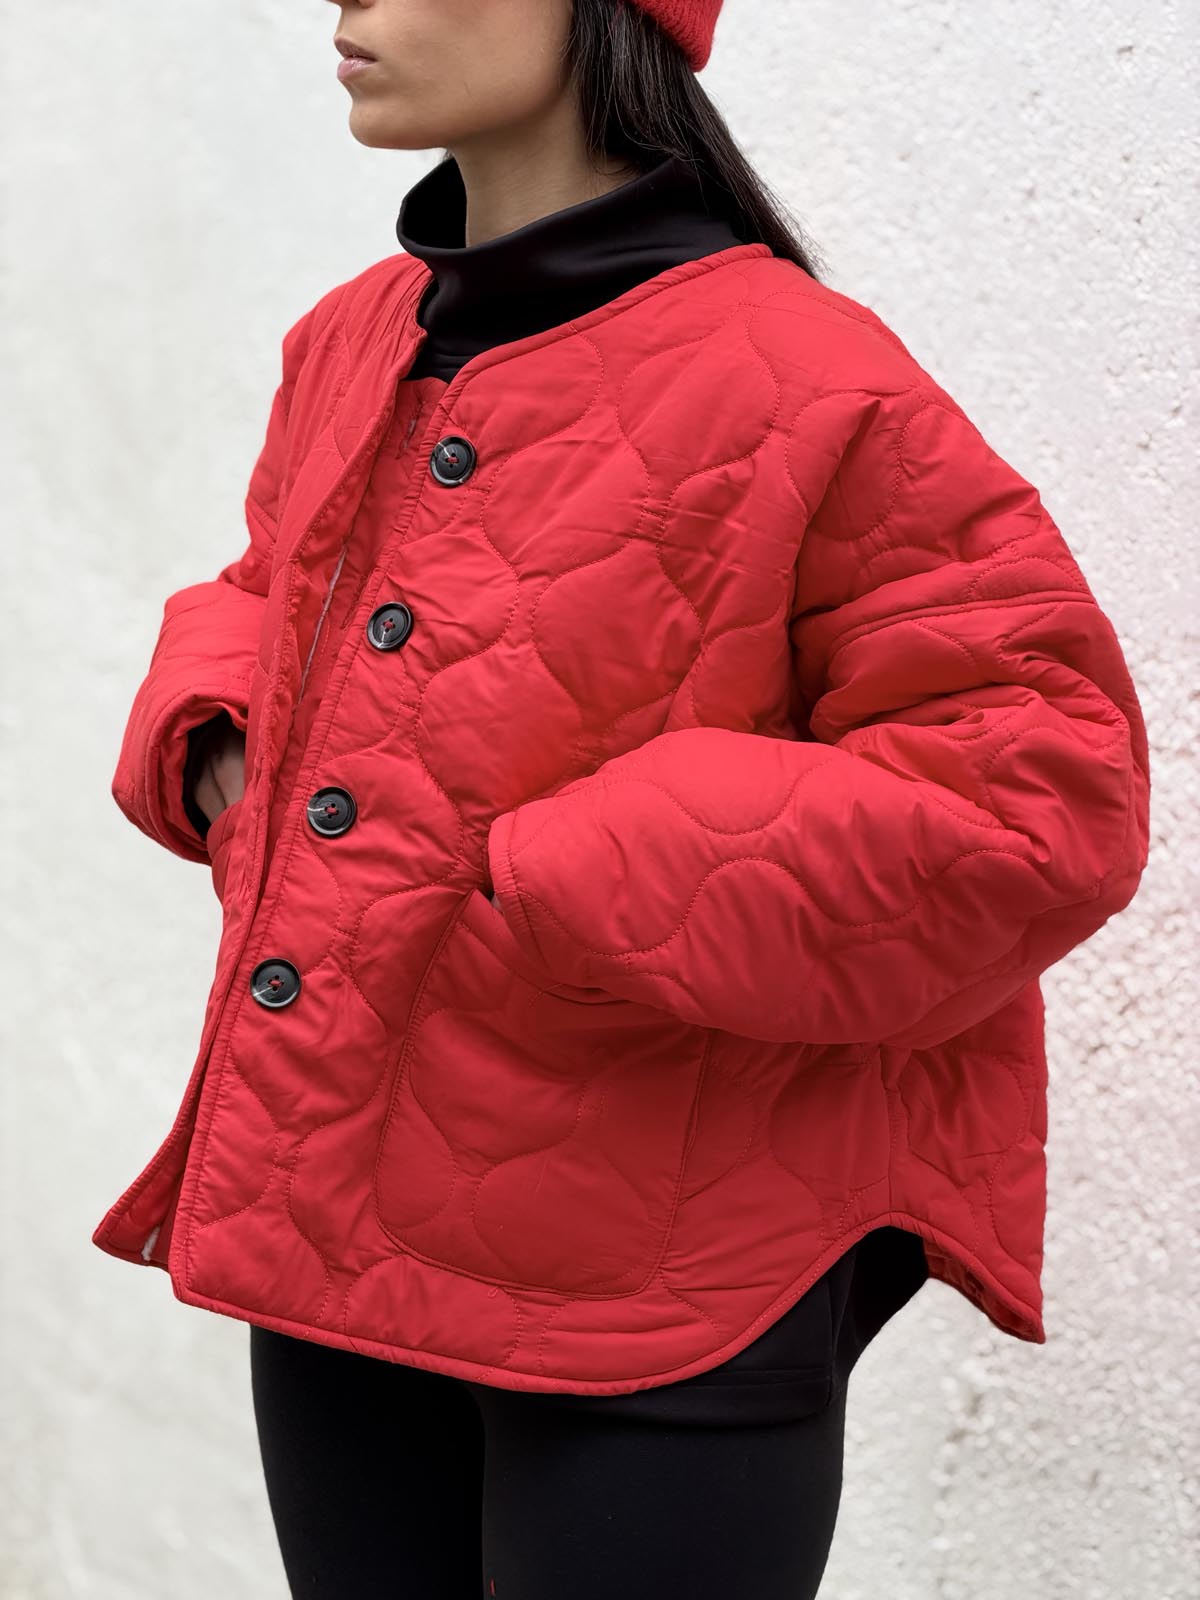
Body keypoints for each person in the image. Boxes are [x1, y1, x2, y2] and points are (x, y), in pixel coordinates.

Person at [94, 1, 1151, 1595]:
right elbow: (269, 587)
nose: (348, 5)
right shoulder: (353, 338)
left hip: (659, 1298)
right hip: (340, 1239)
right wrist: (213, 735)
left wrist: (578, 875)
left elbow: (1043, 788)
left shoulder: (808, 377)